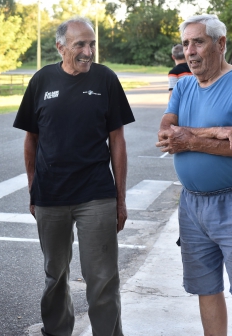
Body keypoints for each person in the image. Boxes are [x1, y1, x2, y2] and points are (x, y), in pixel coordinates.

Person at [13, 17, 135, 336]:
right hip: (51, 196)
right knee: (55, 275)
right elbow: (31, 140)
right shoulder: (41, 81)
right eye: (80, 44)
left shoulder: (106, 80)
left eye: (91, 43)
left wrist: (120, 201)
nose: (88, 51)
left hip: (96, 194)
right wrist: (33, 190)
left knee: (102, 278)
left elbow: (117, 142)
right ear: (60, 47)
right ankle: (57, 331)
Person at [156, 14, 232, 336]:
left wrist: (191, 140)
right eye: (185, 44)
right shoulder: (183, 86)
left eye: (199, 42)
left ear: (220, 44)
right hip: (192, 205)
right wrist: (215, 132)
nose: (190, 51)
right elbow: (167, 133)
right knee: (206, 289)